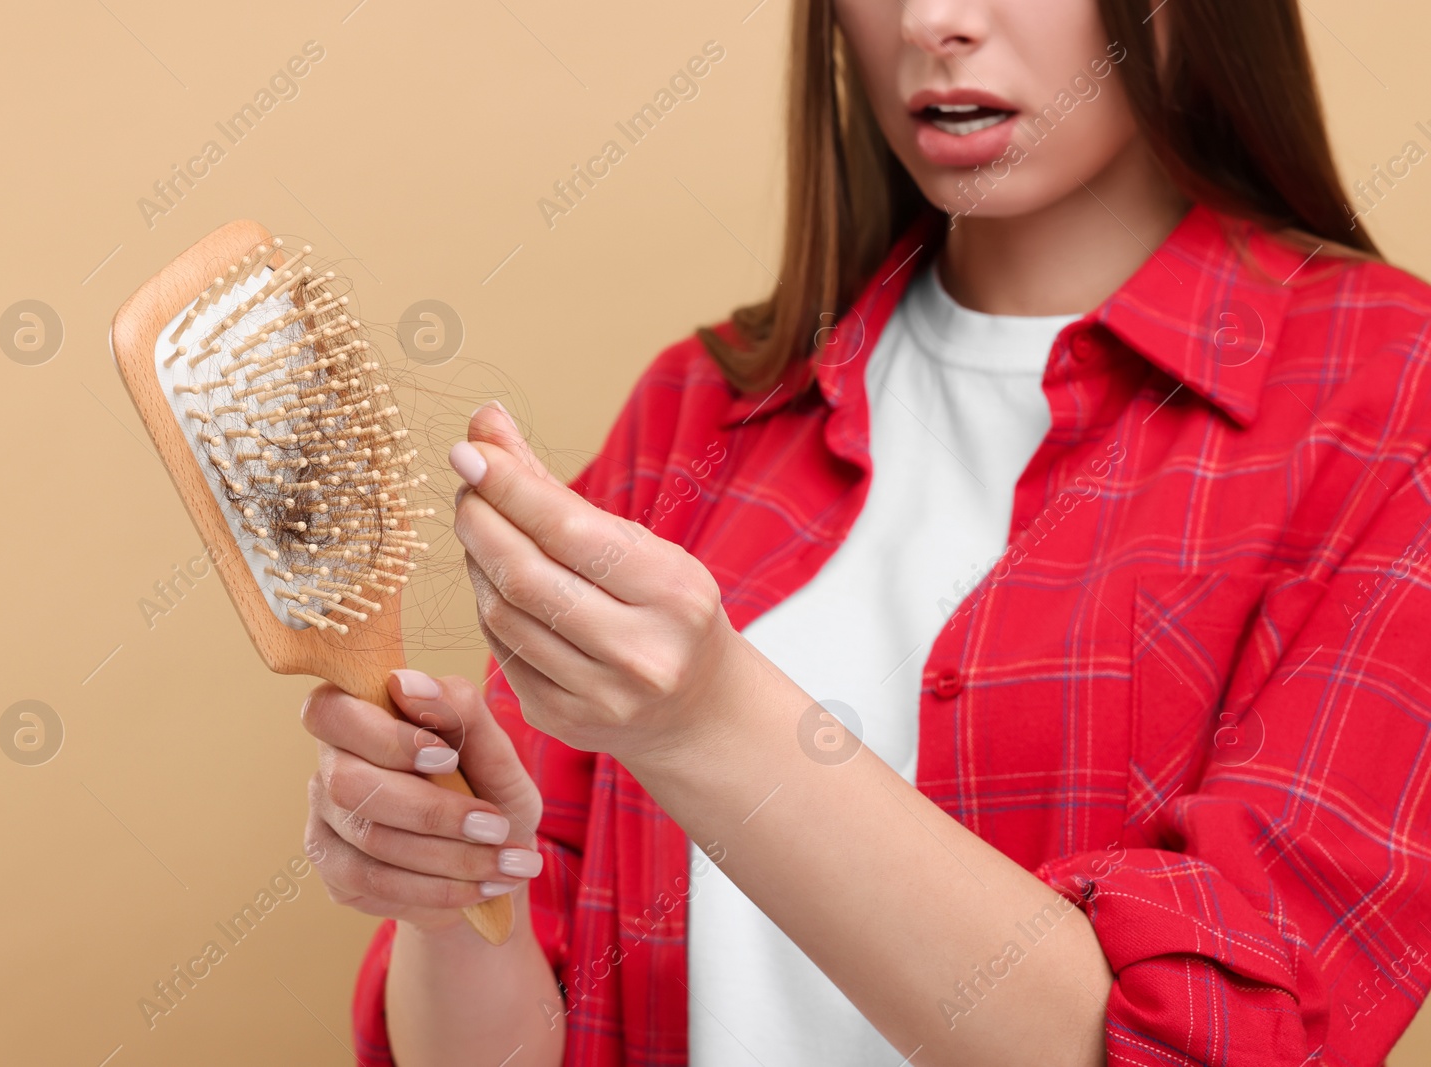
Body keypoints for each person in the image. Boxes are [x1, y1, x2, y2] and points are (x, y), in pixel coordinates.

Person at [300, 0, 1431, 1063]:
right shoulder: (701, 410)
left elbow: (1229, 1040)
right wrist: (446, 898)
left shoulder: (1389, 394)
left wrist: (710, 720)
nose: (934, 21)